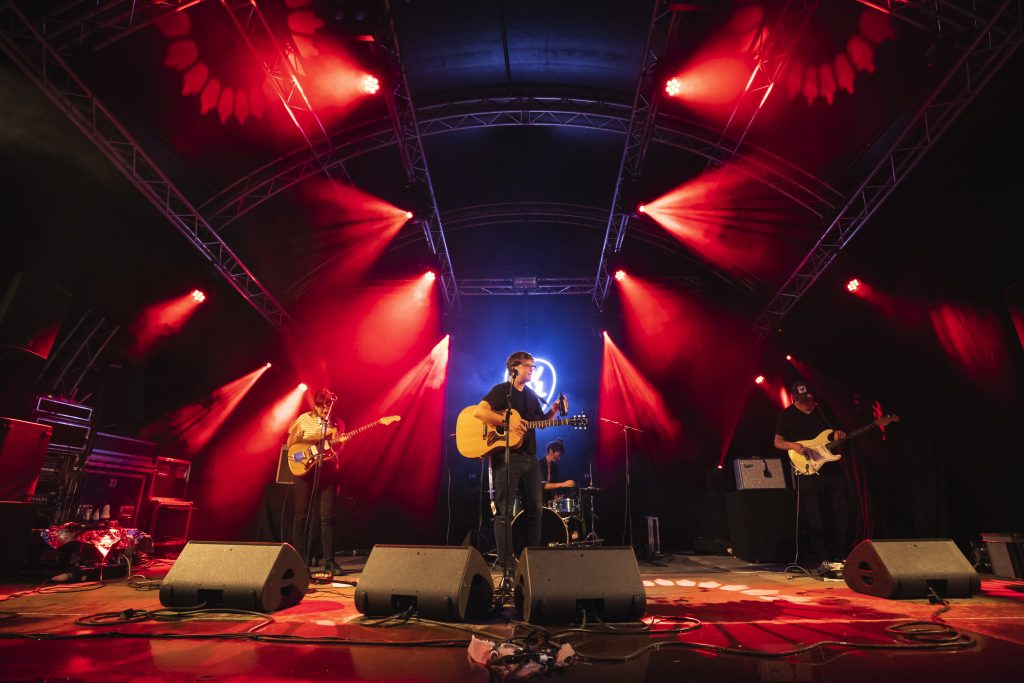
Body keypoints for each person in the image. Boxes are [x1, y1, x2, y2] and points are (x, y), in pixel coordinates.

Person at [473, 352, 566, 578]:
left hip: (530, 459)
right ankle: (507, 567)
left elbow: (541, 424)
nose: (533, 369)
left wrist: (554, 410)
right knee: (503, 513)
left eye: (533, 366)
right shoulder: (502, 391)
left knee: (536, 510)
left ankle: (531, 563)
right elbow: (479, 412)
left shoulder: (532, 396)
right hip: (507, 457)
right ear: (515, 368)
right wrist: (506, 421)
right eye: (529, 366)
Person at [773, 381, 850, 571]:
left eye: (808, 399)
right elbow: (778, 442)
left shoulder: (823, 411)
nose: (806, 404)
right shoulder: (787, 415)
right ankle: (825, 558)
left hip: (831, 467)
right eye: (802, 401)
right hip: (807, 468)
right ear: (794, 398)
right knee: (815, 514)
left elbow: (836, 433)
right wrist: (793, 446)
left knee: (842, 510)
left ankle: (844, 554)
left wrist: (839, 435)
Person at [286, 388, 345, 575]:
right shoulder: (304, 419)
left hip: (328, 471)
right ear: (316, 405)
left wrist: (338, 442)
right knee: (301, 517)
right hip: (305, 470)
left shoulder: (337, 423)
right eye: (322, 407)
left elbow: (337, 449)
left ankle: (329, 561)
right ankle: (298, 560)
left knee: (327, 517)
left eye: (329, 406)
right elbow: (291, 444)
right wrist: (315, 440)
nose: (326, 410)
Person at [539, 438, 576, 505]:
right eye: (558, 455)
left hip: (548, 502)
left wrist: (555, 496)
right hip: (538, 501)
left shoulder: (555, 467)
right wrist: (563, 484)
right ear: (551, 451)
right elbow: (542, 485)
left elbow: (553, 486)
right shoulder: (539, 464)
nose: (559, 458)